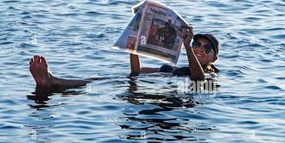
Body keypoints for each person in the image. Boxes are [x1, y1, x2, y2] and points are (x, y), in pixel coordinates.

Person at [29, 27, 220, 90]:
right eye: (196, 44)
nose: (199, 49)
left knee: (104, 84)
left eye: (206, 47)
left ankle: (52, 82)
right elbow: (136, 73)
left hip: (166, 94)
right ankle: (52, 80)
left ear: (214, 57)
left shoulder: (210, 75)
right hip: (145, 84)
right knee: (100, 80)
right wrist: (134, 47)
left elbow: (198, 79)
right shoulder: (173, 68)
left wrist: (186, 46)